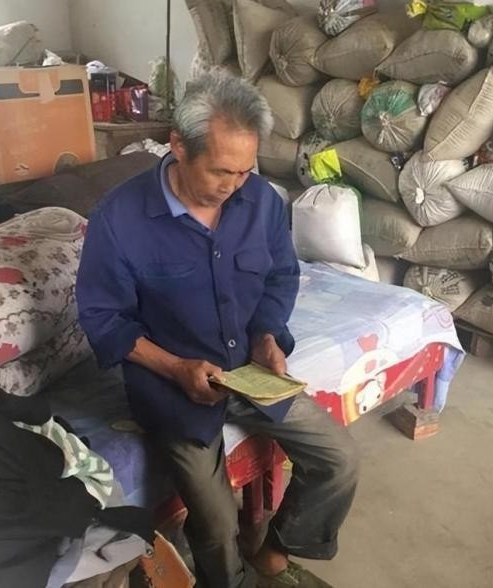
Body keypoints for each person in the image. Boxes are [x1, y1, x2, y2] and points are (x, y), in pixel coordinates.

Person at [76, 71, 359, 588]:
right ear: (179, 146)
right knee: (216, 522)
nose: (233, 186)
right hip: (173, 388)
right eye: (221, 171)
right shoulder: (119, 219)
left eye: (245, 171)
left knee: (338, 460)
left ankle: (273, 555)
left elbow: (280, 277)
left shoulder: (262, 201)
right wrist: (175, 368)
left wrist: (267, 335)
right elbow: (103, 318)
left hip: (251, 372)